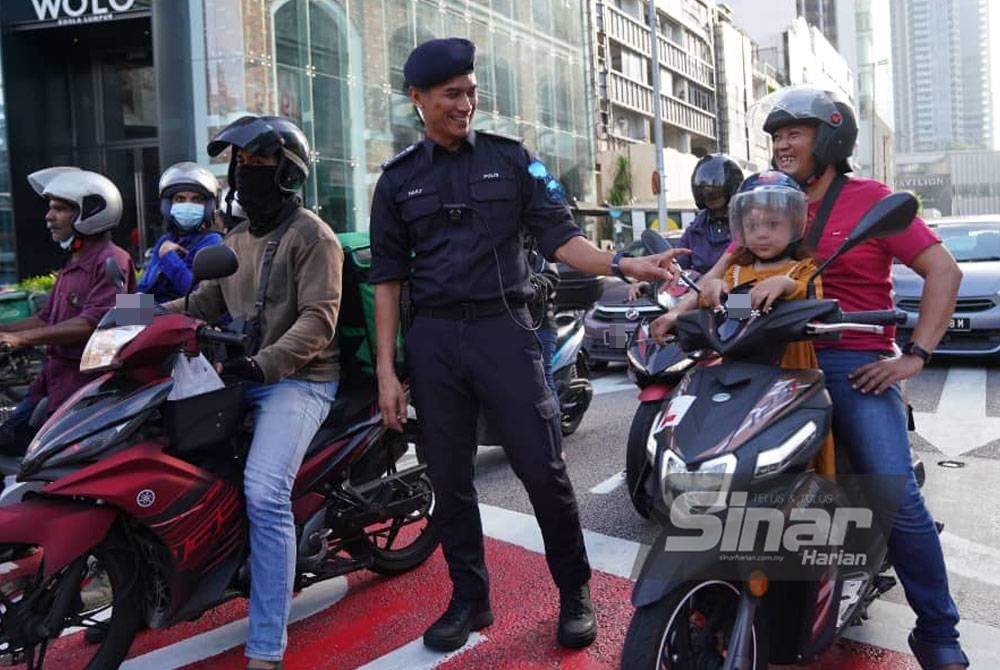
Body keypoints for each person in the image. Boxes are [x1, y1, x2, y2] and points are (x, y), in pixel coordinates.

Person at [370, 37, 688, 653]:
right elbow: (387, 281)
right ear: (418, 99)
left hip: (504, 332)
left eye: (470, 92)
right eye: (450, 95)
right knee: (449, 478)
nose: (465, 104)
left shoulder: (513, 161)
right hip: (433, 337)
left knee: (542, 471)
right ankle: (469, 598)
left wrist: (627, 264)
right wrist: (388, 371)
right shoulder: (397, 181)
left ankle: (574, 591)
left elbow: (566, 241)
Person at [652, 86, 967, 670]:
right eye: (776, 136)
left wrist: (915, 355)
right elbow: (720, 273)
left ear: (832, 138)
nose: (782, 144)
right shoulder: (768, 200)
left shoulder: (872, 200)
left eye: (795, 132)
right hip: (760, 358)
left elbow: (943, 271)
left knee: (892, 489)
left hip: (848, 362)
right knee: (704, 468)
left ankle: (938, 630)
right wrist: (676, 313)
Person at [164, 115, 343, 670]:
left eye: (259, 163)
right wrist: (127, 319)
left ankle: (266, 646)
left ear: (288, 173)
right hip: (240, 376)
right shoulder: (234, 239)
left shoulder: (314, 237)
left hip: (299, 381)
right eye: (241, 165)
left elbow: (319, 321)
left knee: (265, 494)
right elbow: (199, 306)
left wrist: (263, 365)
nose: (246, 174)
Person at [700, 170, 834, 476]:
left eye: (773, 224)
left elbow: (814, 302)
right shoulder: (734, 272)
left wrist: (786, 286)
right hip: (741, 365)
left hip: (791, 367)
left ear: (794, 224)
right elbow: (732, 315)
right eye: (752, 226)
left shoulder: (803, 270)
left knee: (796, 431)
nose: (761, 233)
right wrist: (713, 292)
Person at [0, 167, 135, 456]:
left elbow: (93, 323)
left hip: (84, 388)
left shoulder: (113, 260)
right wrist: (7, 332)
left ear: (92, 212)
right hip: (51, 381)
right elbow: (46, 319)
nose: (49, 217)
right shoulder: (73, 261)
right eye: (51, 209)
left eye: (60, 209)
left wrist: (22, 340)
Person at [627, 152, 742, 301]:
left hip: (738, 293)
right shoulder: (696, 229)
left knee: (739, 321)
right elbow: (676, 264)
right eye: (705, 191)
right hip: (700, 300)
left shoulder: (746, 227)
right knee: (667, 320)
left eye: (716, 192)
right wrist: (650, 281)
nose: (710, 194)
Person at [137, 162, 225, 303]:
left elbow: (199, 296)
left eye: (196, 199)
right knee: (114, 319)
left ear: (208, 207)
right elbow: (145, 287)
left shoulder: (213, 243)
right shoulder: (165, 241)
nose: (187, 205)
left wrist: (168, 257)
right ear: (168, 205)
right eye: (180, 199)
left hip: (187, 318)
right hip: (156, 316)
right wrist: (122, 312)